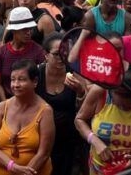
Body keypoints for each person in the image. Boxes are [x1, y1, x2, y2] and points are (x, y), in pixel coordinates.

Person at [75, 72, 131, 175]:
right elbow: (79, 120)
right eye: (120, 104)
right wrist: (95, 140)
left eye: (130, 105)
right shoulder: (100, 91)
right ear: (111, 92)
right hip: (100, 170)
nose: (124, 107)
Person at [0, 60, 54, 175]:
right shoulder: (2, 107)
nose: (16, 85)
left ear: (35, 82)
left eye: (21, 79)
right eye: (13, 79)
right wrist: (12, 167)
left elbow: (43, 154)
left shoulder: (45, 111)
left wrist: (24, 173)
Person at [36, 34, 85, 175]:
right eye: (57, 54)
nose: (61, 58)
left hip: (67, 137)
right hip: (40, 136)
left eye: (65, 54)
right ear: (46, 55)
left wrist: (80, 92)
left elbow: (84, 110)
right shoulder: (37, 74)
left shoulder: (75, 75)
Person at [0, 8, 47, 101]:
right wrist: (5, 104)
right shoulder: (1, 52)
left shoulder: (38, 51)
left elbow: (41, 82)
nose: (28, 33)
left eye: (30, 29)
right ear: (14, 30)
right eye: (24, 30)